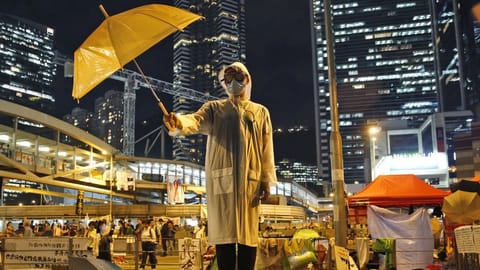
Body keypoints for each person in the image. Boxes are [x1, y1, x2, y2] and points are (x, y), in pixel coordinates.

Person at [163, 62, 277, 270]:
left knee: (248, 238)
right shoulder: (214, 109)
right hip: (221, 181)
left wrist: (266, 180)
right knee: (224, 239)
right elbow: (195, 121)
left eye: (238, 77)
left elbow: (266, 148)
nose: (233, 82)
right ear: (223, 83)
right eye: (228, 78)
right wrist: (178, 121)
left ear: (247, 79)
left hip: (249, 184)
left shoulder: (260, 112)